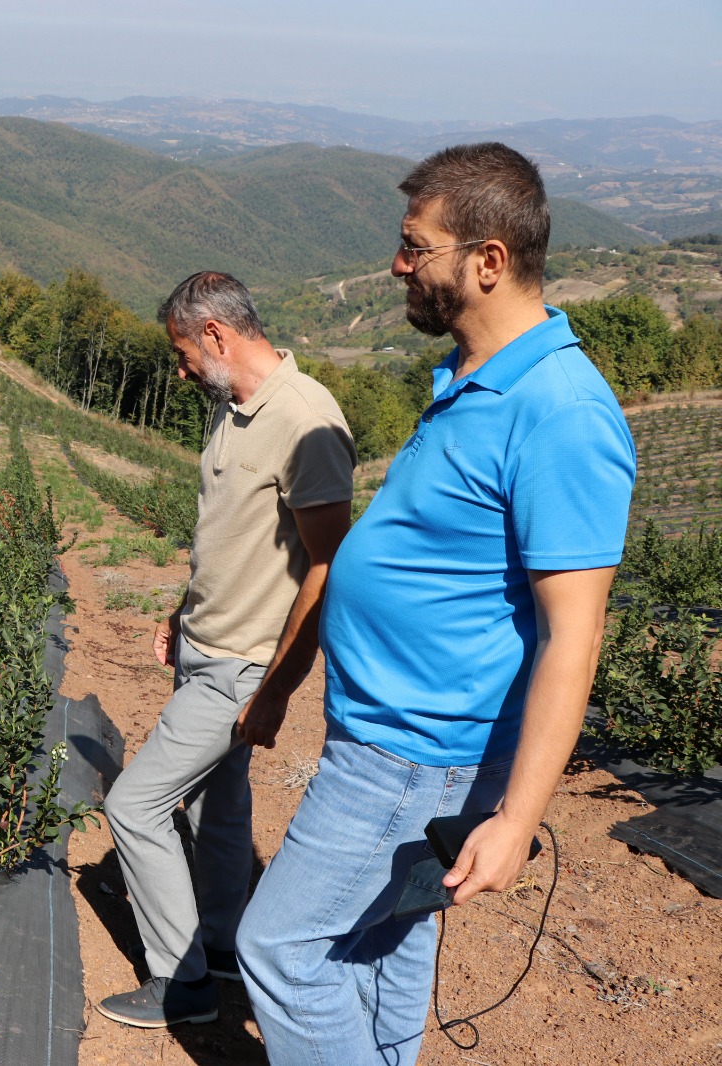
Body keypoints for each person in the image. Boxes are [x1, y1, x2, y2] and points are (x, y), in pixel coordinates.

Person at [237, 143, 638, 1064]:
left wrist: (518, 819)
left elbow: (572, 639)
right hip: (395, 743)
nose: (398, 264)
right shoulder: (472, 378)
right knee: (384, 941)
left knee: (283, 950)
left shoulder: (561, 412)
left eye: (417, 247)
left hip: (416, 760)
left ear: (488, 261)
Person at [96, 272, 356, 1028]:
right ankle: (218, 947)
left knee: (134, 805)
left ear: (216, 333)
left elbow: (328, 564)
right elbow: (230, 537)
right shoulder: (232, 406)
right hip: (205, 649)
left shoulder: (306, 422)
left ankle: (181, 985)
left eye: (182, 351)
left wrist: (276, 688)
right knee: (216, 806)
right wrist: (182, 614)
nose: (178, 369)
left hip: (242, 667)